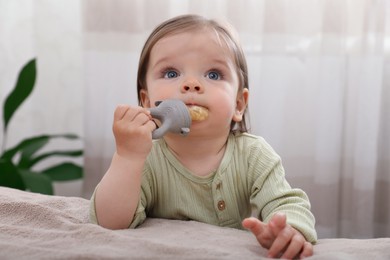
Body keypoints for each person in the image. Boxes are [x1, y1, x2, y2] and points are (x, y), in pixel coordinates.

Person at [90, 14, 317, 258]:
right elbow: (109, 223)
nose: (191, 84)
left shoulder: (254, 155)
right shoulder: (144, 157)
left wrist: (289, 229)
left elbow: (287, 203)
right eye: (170, 73)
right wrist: (127, 157)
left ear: (238, 104)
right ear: (147, 102)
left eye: (213, 75)